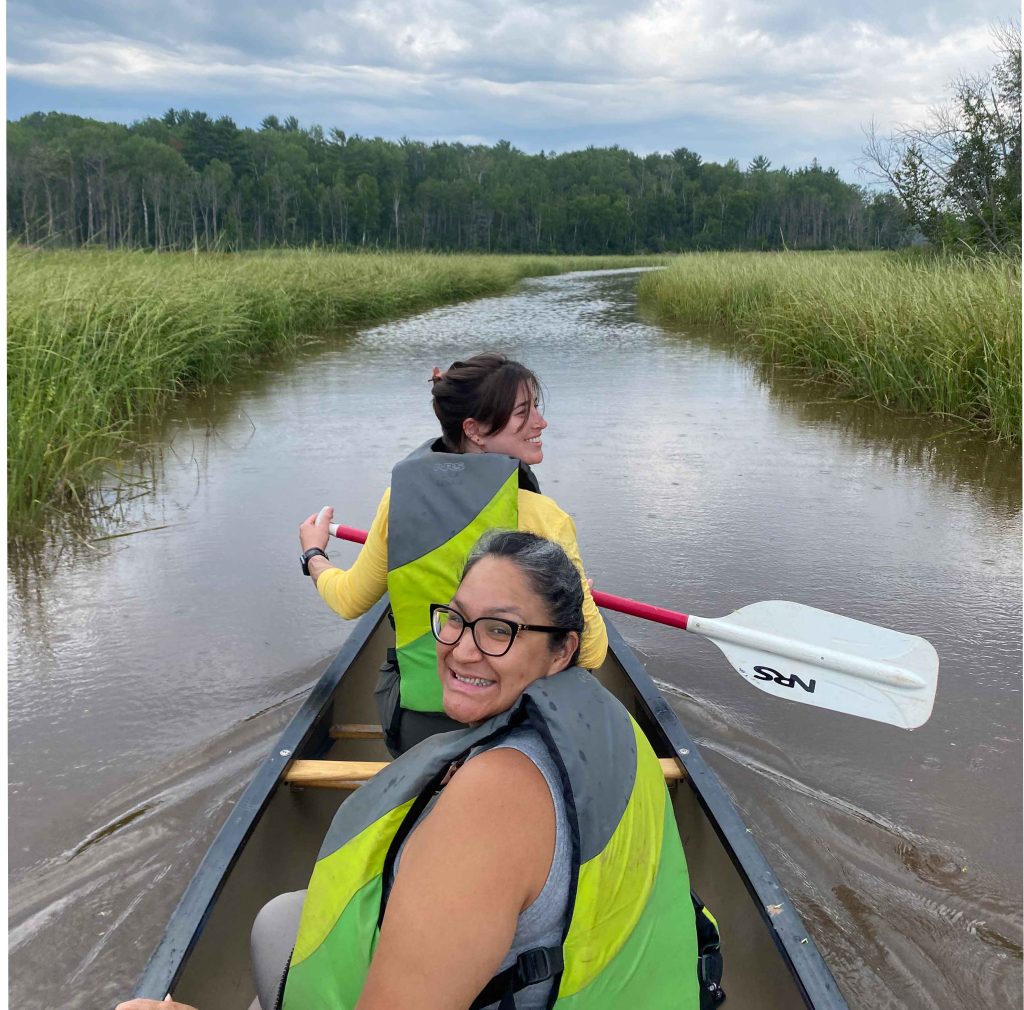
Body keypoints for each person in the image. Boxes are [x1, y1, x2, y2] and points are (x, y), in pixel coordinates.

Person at [120, 531, 701, 1010]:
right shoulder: (611, 725)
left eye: (501, 630)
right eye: (456, 619)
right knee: (282, 921)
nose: (463, 649)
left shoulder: (493, 806)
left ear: (561, 650)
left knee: (274, 930)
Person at [298, 352, 608, 755]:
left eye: (536, 408)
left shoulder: (399, 502)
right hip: (515, 725)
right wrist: (581, 594)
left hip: (417, 727)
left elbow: (349, 600)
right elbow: (591, 651)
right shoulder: (545, 519)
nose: (540, 422)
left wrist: (314, 555)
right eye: (523, 412)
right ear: (475, 430)